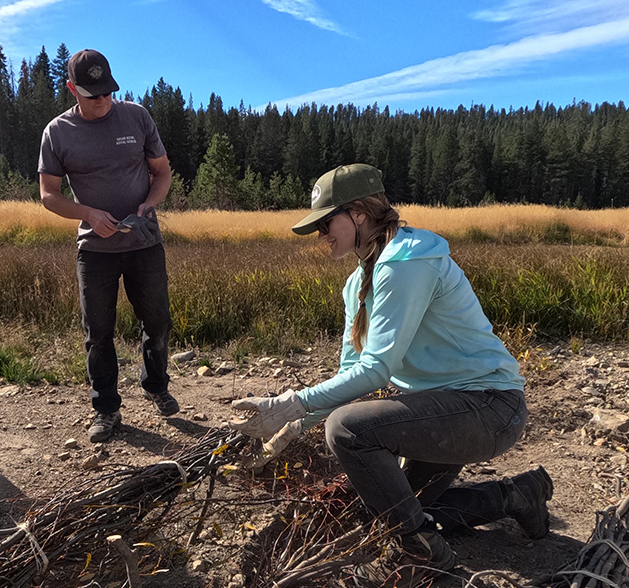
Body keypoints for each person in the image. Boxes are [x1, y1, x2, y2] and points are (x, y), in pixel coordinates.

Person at [230, 164, 554, 587]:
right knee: (399, 507)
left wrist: (292, 403)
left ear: (359, 213)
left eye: (326, 222)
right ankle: (514, 496)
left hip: (489, 408)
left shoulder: (407, 262)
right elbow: (352, 373)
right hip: (442, 414)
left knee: (347, 430)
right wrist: (291, 426)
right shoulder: (358, 283)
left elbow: (377, 369)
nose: (321, 234)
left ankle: (422, 557)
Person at [38, 49, 179, 443]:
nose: (102, 101)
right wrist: (89, 214)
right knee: (98, 331)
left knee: (158, 320)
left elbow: (163, 172)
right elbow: (48, 195)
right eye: (91, 94)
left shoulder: (137, 116)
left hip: (144, 242)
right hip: (94, 250)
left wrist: (150, 204)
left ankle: (156, 386)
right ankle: (106, 408)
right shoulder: (58, 132)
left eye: (107, 92)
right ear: (71, 89)